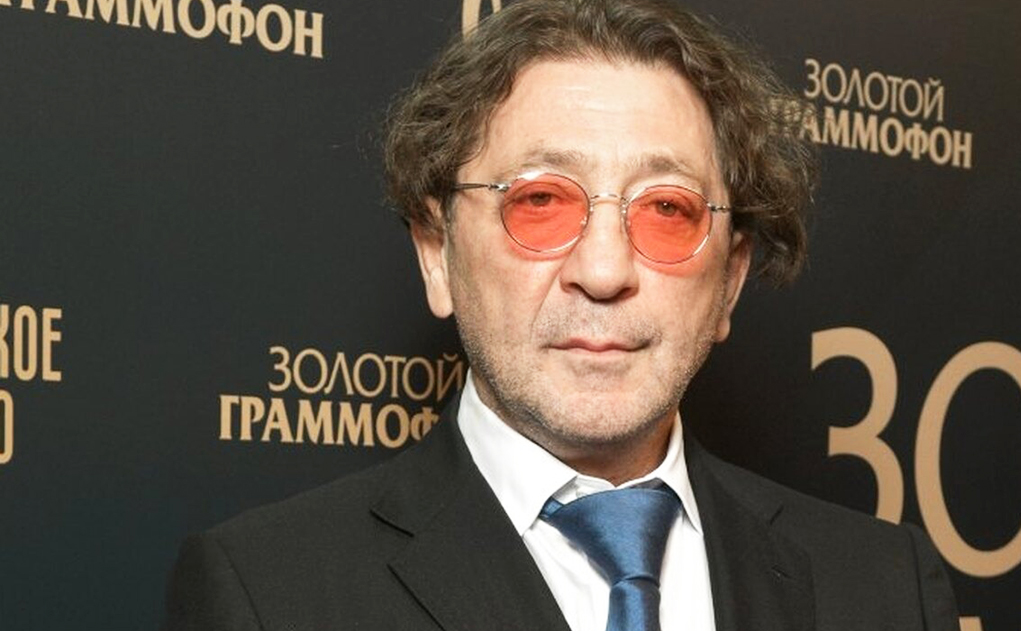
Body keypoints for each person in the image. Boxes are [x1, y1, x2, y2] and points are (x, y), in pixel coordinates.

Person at [162, 0, 959, 629]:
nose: (603, 271)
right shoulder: (270, 596)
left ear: (730, 281)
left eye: (667, 209)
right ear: (437, 252)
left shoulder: (886, 589)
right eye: (540, 201)